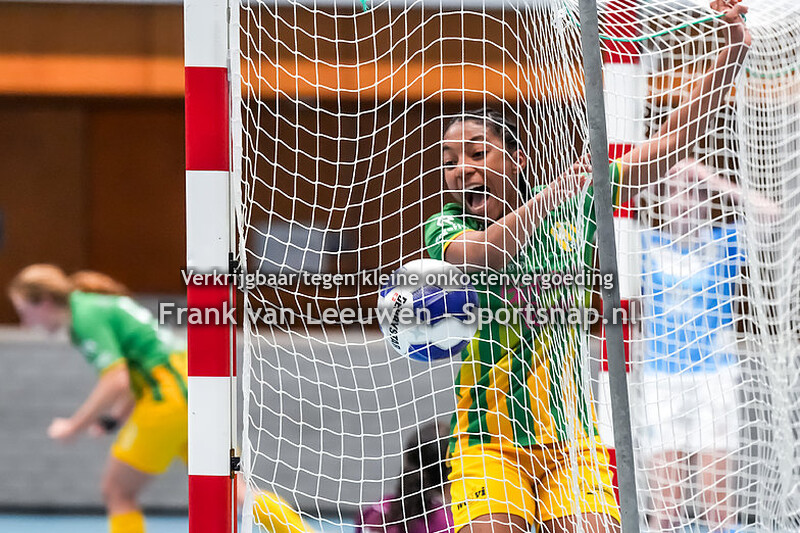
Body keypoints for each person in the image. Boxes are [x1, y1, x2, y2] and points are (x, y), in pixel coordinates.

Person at [422, 3, 750, 533]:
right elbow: (487, 254)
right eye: (450, 163)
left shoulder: (577, 204)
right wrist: (555, 194)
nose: (463, 171)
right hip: (487, 440)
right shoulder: (446, 226)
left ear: (516, 160)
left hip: (572, 438)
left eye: (478, 154)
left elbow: (670, 146)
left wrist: (729, 53)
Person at [636, 159, 778, 531]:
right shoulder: (643, 244)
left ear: (705, 199)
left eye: (693, 192)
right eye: (674, 191)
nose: (683, 201)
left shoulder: (724, 243)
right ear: (661, 199)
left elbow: (773, 215)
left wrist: (711, 180)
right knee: (666, 508)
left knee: (718, 508)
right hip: (661, 378)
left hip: (714, 377)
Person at [8, 264, 188, 533]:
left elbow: (117, 380)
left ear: (44, 302)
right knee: (234, 490)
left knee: (116, 492)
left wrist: (74, 426)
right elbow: (138, 371)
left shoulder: (85, 315)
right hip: (191, 396)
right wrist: (114, 418)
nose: (25, 323)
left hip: (166, 400)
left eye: (25, 311)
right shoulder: (94, 305)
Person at [238, 419, 453, 533]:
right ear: (453, 470)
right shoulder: (450, 523)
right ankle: (244, 494)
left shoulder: (376, 510)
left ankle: (244, 493)